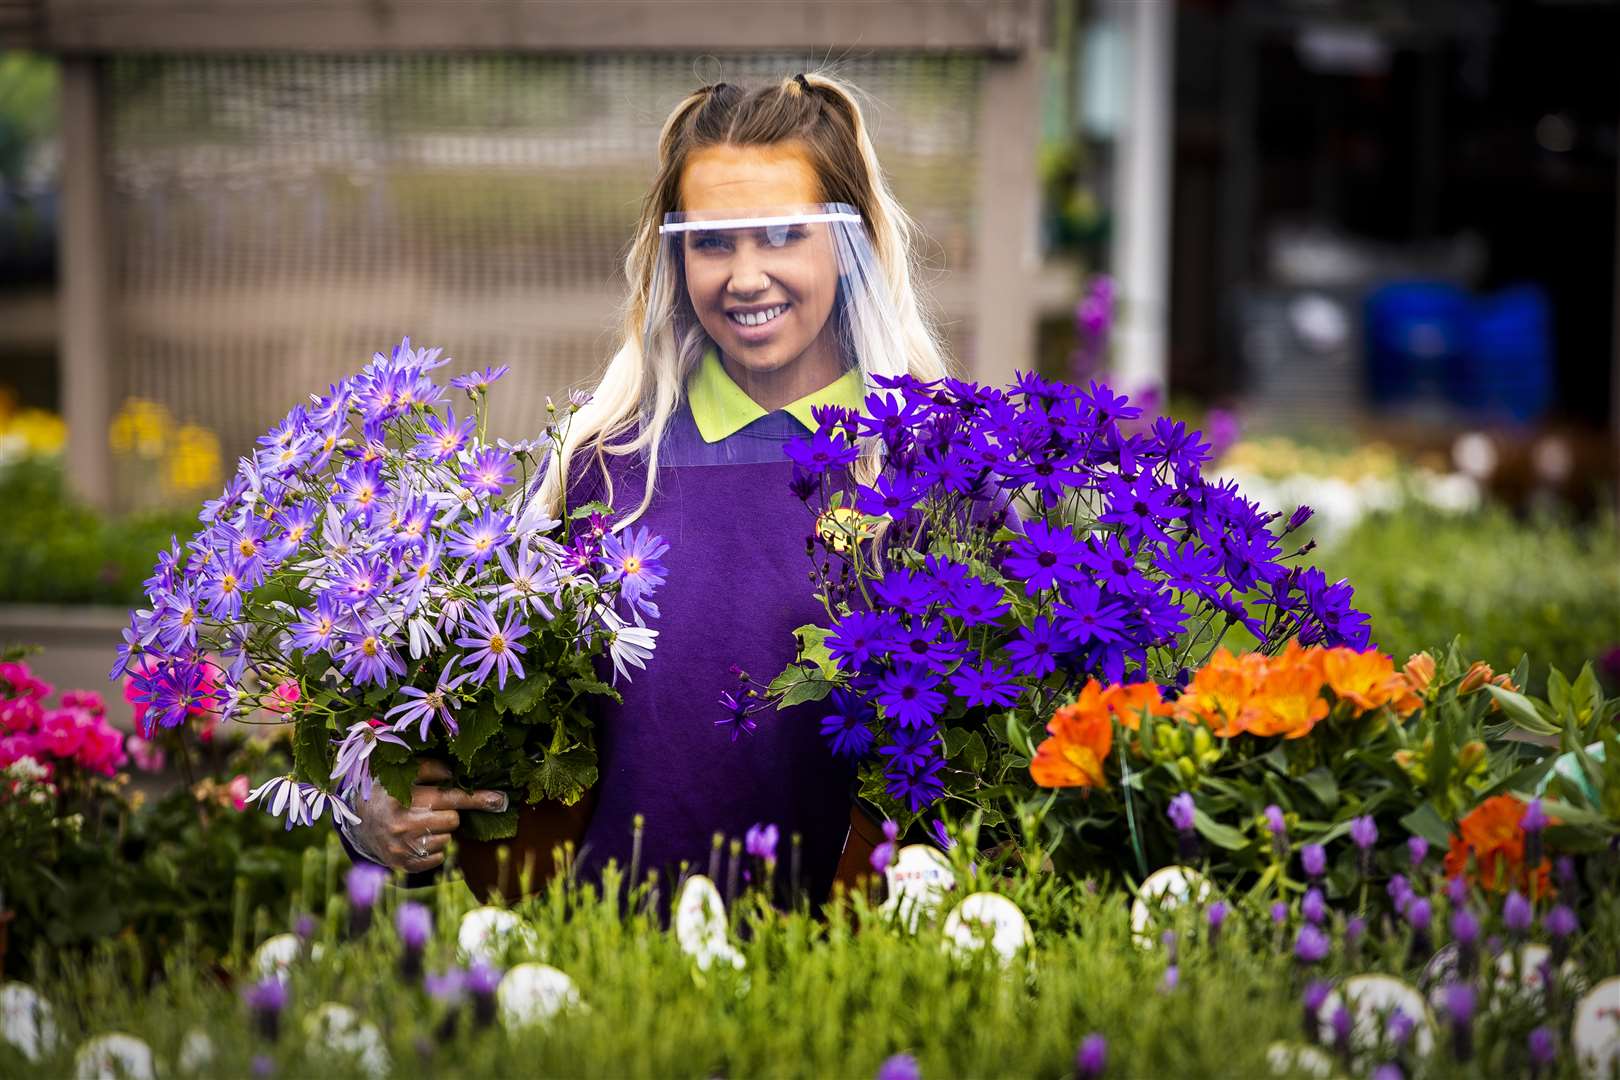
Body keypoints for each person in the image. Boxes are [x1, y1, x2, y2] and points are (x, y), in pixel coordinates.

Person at [344, 71, 953, 906]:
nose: (745, 276)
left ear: (851, 248)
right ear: (672, 254)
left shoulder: (932, 473)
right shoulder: (601, 465)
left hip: (842, 979)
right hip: (611, 969)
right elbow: (461, 720)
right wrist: (373, 804)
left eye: (781, 235)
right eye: (711, 241)